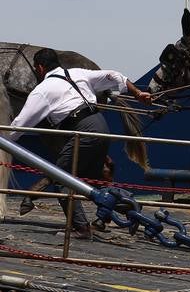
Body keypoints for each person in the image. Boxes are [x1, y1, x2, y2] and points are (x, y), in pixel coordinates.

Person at [8, 48, 153, 239]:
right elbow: (114, 75)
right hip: (101, 126)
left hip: (83, 132)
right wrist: (137, 93)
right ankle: (127, 202)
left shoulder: (43, 90)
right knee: (92, 180)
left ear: (40, 68)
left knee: (61, 178)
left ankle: (81, 229)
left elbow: (20, 125)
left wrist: (4, 140)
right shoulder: (77, 73)